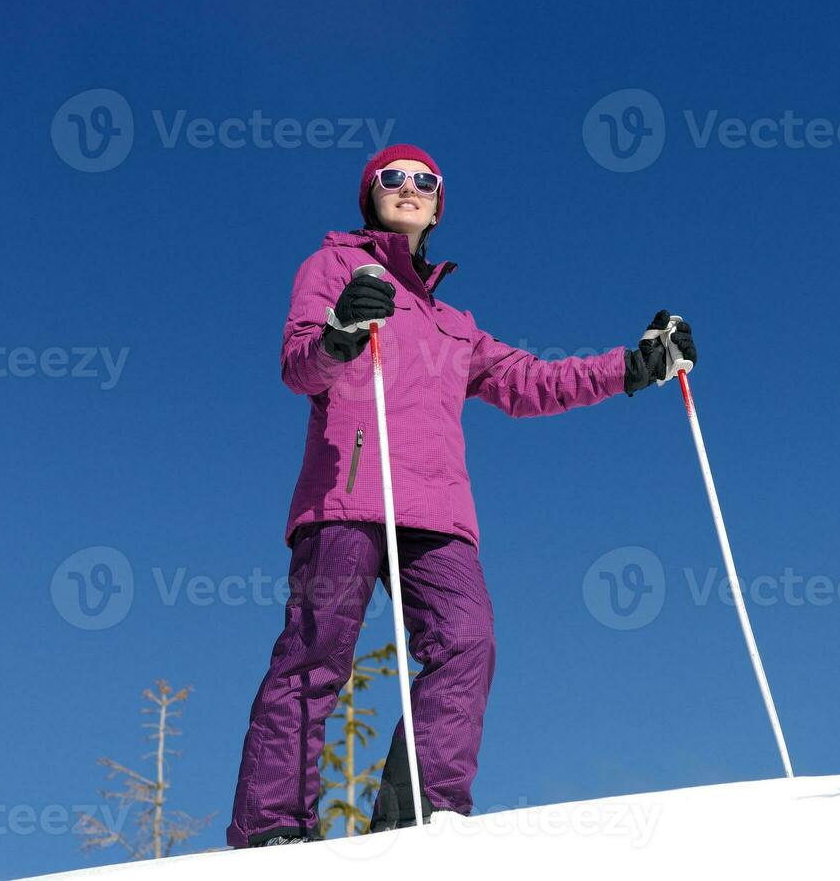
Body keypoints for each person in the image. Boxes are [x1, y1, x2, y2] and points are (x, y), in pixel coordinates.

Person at [225, 143, 696, 848]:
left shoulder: (456, 326)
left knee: (468, 640)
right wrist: (343, 330)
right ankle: (273, 831)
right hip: (347, 496)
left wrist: (634, 367)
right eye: (393, 178)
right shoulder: (332, 269)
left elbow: (535, 382)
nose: (409, 187)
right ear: (371, 196)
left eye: (425, 181)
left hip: (436, 512)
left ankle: (418, 813)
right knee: (316, 654)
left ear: (439, 204)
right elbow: (300, 368)